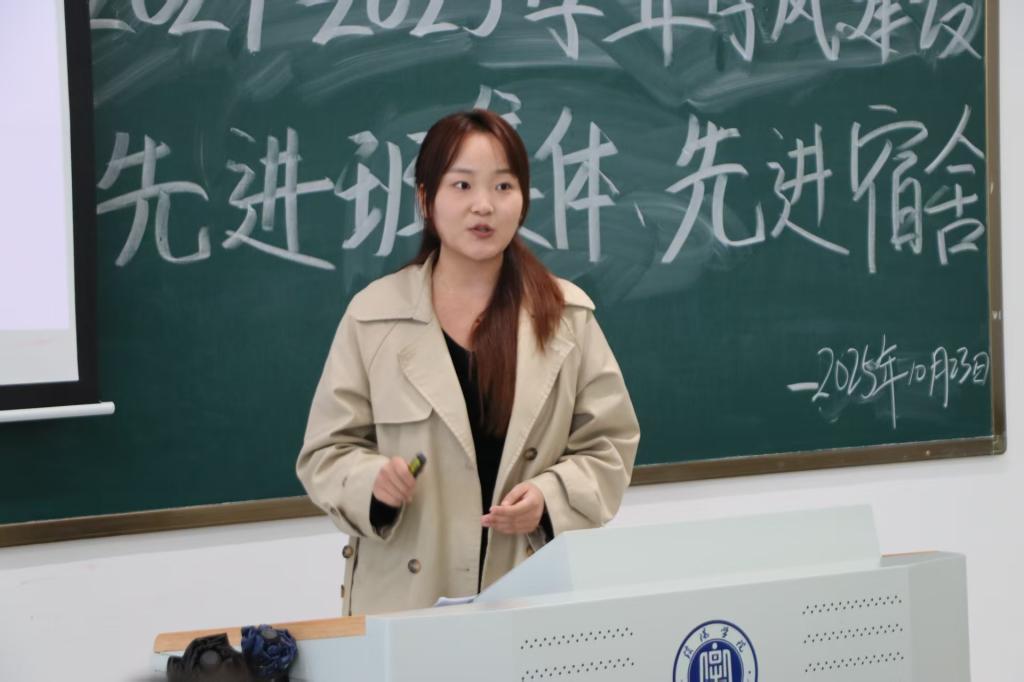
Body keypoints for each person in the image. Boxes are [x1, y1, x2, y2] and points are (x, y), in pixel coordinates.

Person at [296, 109, 639, 616]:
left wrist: (549, 497)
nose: (484, 205)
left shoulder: (566, 316)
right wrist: (373, 481)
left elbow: (609, 443)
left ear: (523, 199)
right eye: (462, 185)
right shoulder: (373, 317)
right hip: (405, 604)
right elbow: (325, 452)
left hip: (530, 595)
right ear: (425, 198)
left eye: (503, 186)